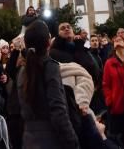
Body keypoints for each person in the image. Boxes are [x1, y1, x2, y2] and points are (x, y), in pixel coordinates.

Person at [17, 20, 81, 148]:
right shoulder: (50, 66)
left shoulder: (23, 71)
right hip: (51, 138)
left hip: (29, 138)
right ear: (48, 42)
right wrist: (72, 141)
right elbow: (58, 109)